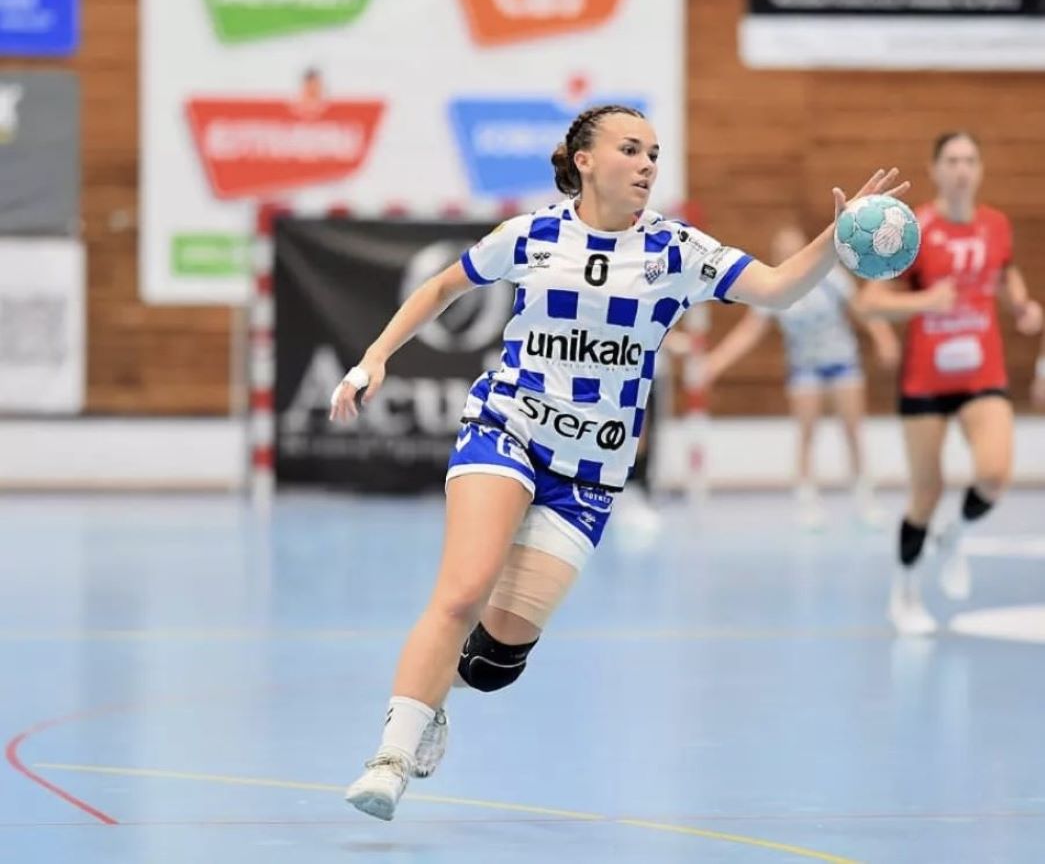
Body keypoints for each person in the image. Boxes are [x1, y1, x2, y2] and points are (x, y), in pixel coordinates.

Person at [329, 103, 909, 821]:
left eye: (653, 153)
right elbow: (444, 285)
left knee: (495, 660)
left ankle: (435, 693)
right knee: (462, 591)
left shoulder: (676, 250)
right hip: (507, 426)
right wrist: (375, 356)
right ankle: (389, 760)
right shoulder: (533, 235)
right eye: (630, 150)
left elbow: (777, 287)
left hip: (589, 470)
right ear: (585, 161)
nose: (646, 165)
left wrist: (838, 234)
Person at [855, 131, 1042, 636]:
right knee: (926, 492)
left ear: (980, 170)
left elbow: (1004, 272)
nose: (962, 169)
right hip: (926, 380)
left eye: (970, 160)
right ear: (935, 169)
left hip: (983, 373)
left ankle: (955, 534)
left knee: (994, 476)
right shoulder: (913, 230)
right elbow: (867, 303)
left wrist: (1021, 304)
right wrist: (924, 302)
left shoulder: (995, 225)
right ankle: (905, 590)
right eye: (952, 160)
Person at [697, 223, 901, 529]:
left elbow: (860, 309)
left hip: (842, 361)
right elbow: (749, 332)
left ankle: (864, 498)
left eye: (794, 248)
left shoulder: (830, 276)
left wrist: (883, 337)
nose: (789, 254)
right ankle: (807, 500)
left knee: (853, 430)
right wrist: (715, 362)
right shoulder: (773, 287)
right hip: (805, 367)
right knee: (807, 433)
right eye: (782, 251)